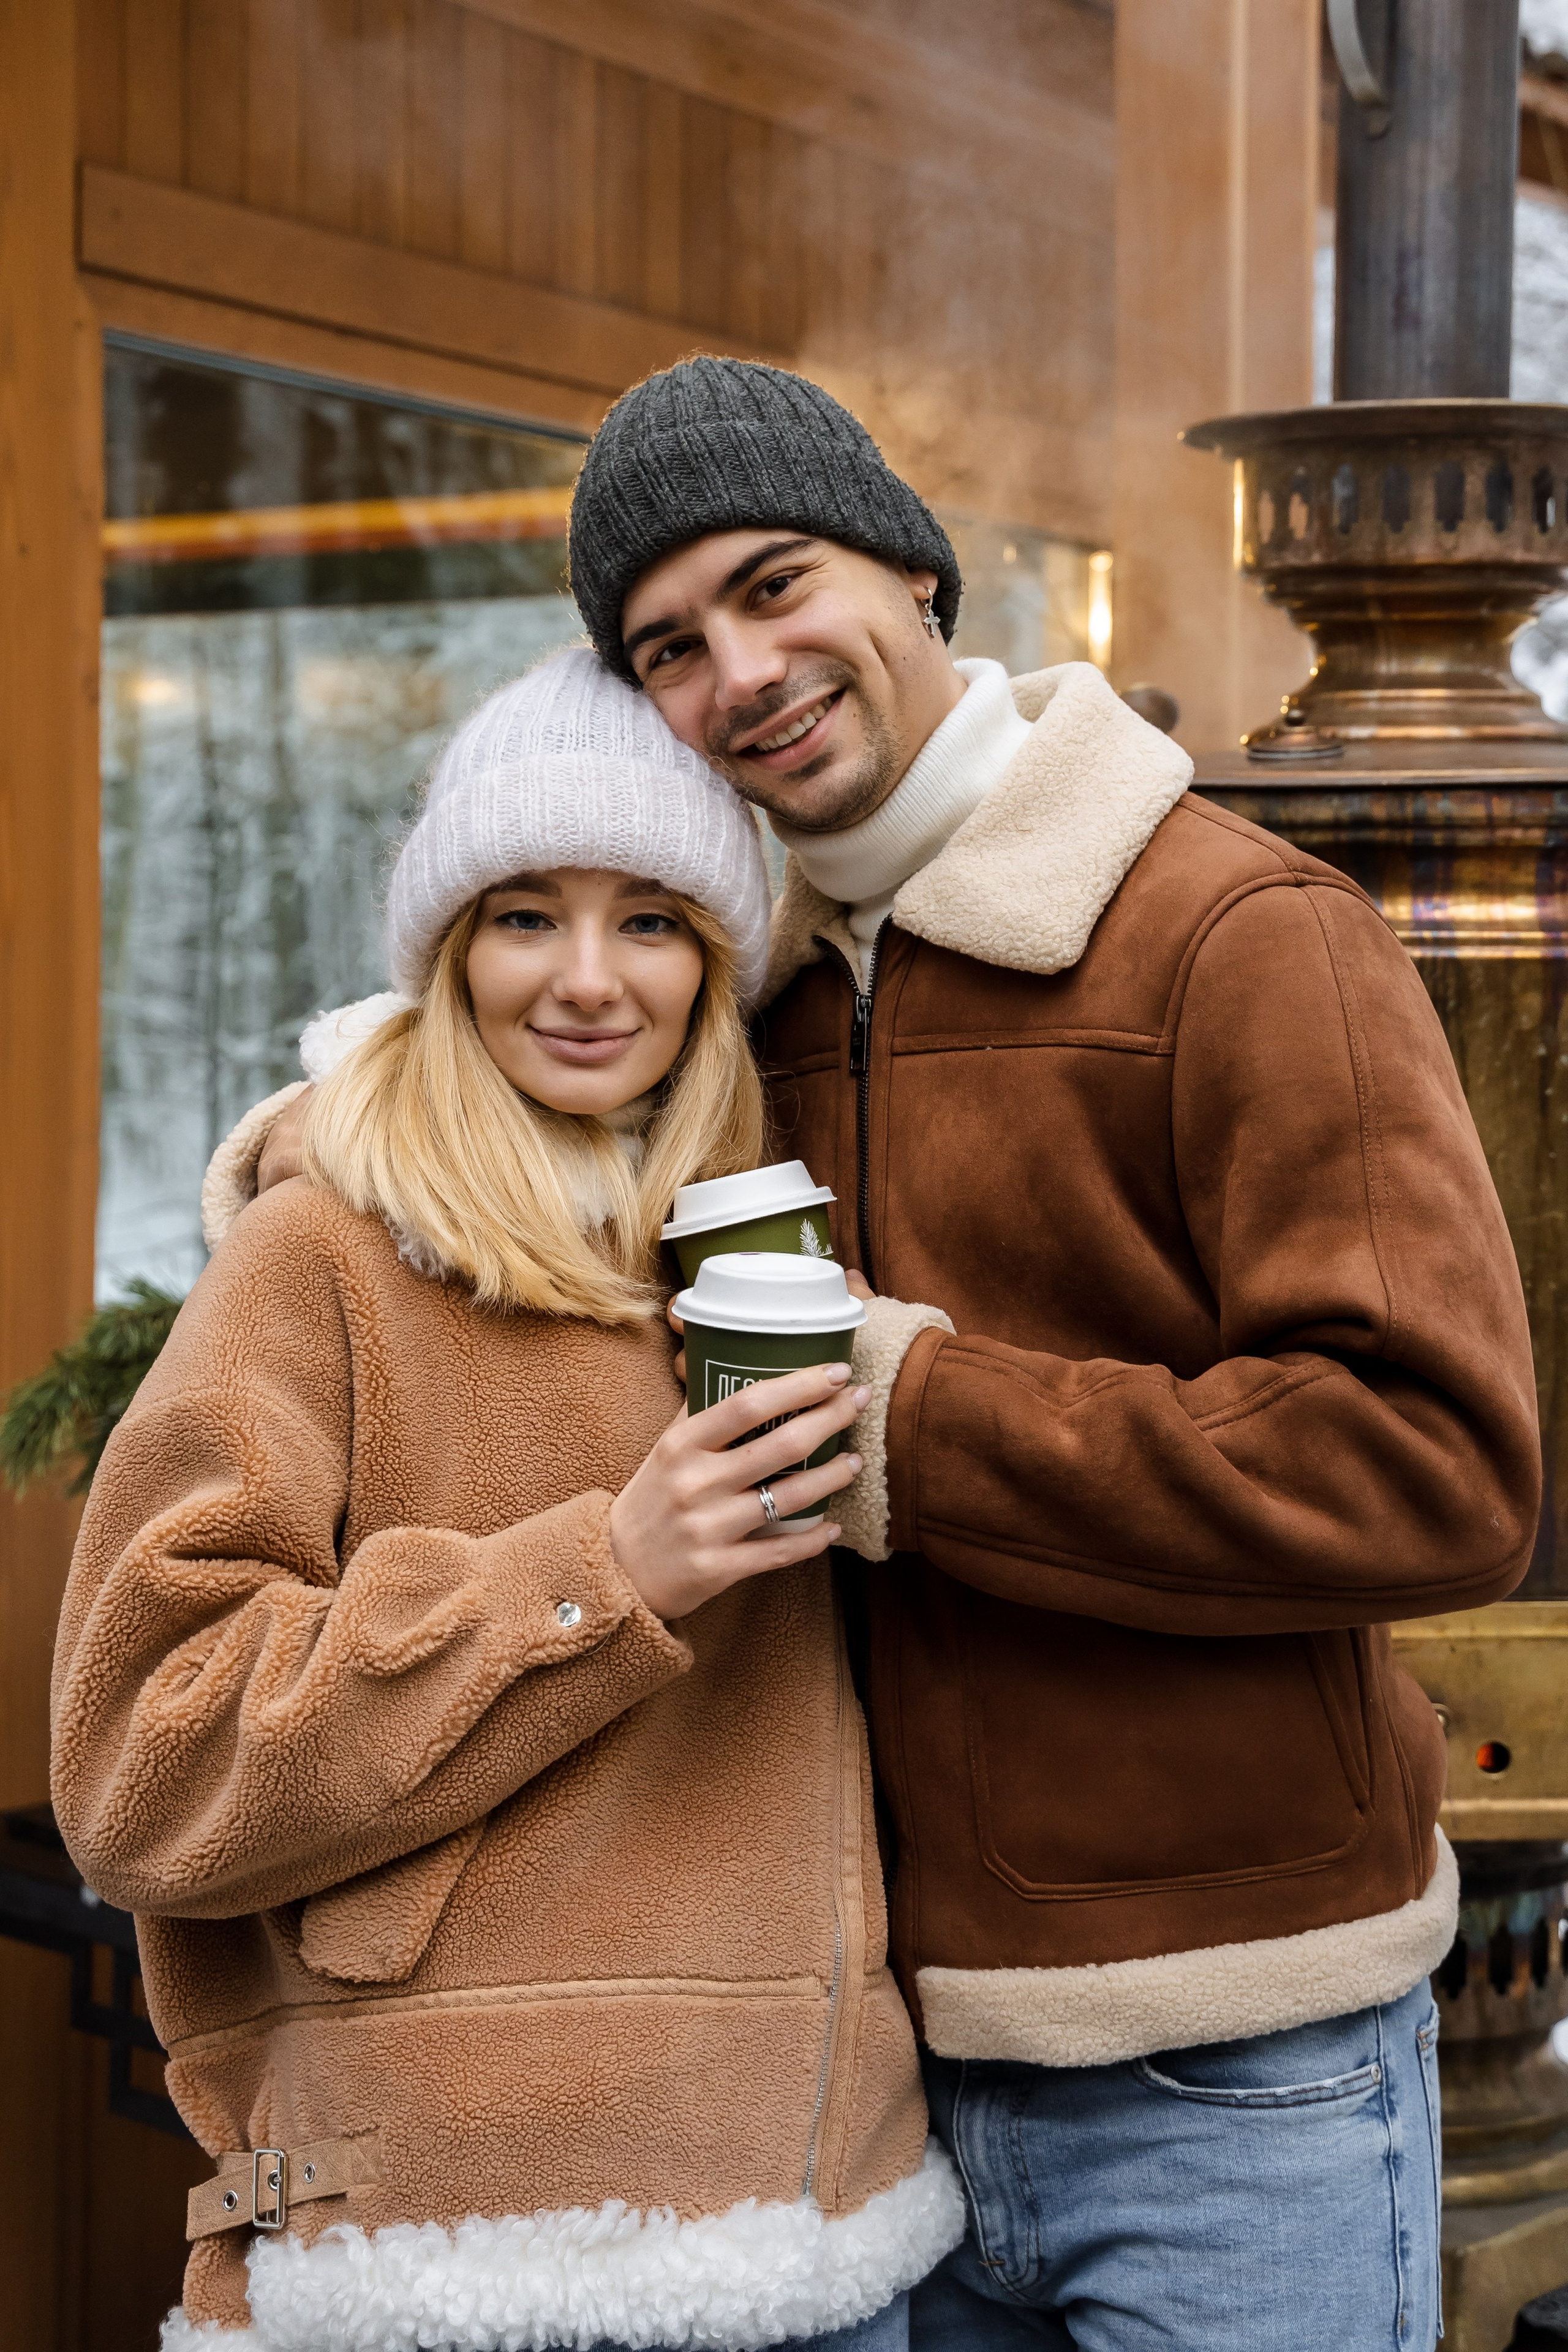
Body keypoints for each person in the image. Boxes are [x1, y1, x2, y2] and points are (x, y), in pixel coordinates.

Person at [233, 360, 1541, 2352]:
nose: (742, 669)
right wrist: (342, 1118)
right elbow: (498, 1036)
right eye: (670, 646)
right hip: (852, 2109)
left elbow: (1433, 1467)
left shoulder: (1238, 935)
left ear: (916, 574)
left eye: (779, 586)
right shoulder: (725, 996)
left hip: (1226, 2056)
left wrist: (912, 1422)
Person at [50, 648, 967, 2352]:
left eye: (652, 922)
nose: (588, 981)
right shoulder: (317, 1253)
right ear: (448, 949)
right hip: (444, 2252)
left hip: (822, 2231)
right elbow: (141, 1761)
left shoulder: (748, 1256)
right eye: (525, 916)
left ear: (718, 964)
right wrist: (598, 1573)